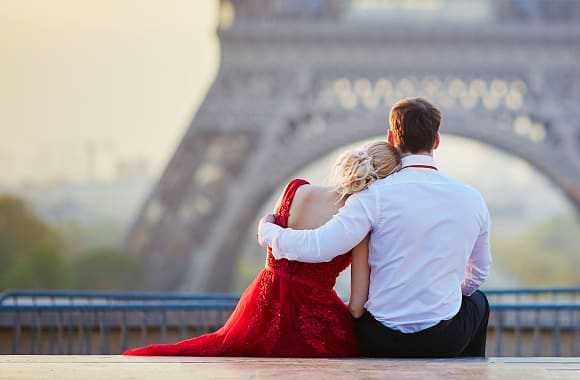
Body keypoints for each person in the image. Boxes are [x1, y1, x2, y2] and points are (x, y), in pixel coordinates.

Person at [258, 97, 492, 357]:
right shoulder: (472, 198)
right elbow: (479, 271)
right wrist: (450, 294)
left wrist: (270, 233)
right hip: (443, 339)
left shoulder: (373, 196)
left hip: (381, 338)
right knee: (478, 301)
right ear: (436, 141)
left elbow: (320, 246)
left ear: (391, 138)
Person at [123, 141, 401, 357]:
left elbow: (275, 240)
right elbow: (355, 308)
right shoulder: (361, 228)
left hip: (262, 308)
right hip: (315, 324)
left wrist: (267, 231)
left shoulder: (296, 190)